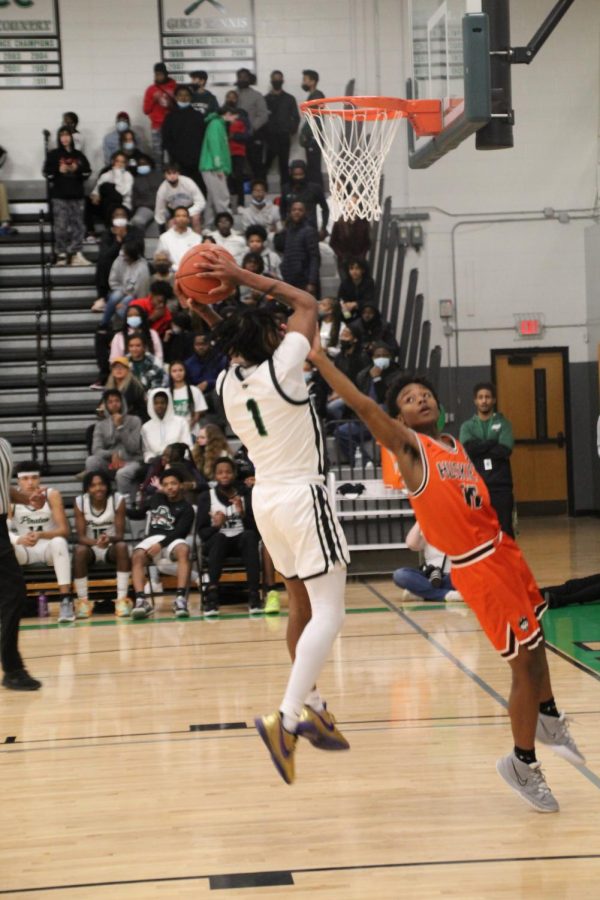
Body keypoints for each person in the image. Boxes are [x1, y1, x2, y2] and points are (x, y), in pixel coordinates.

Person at [309, 354, 585, 812]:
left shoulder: (454, 444)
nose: (421, 400)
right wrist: (320, 358)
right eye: (409, 399)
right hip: (479, 566)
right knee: (522, 666)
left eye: (425, 394)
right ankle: (521, 763)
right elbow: (362, 405)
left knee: (537, 643)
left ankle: (549, 717)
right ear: (399, 418)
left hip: (503, 550)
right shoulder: (410, 449)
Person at [183, 252, 350, 785]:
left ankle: (316, 706)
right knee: (330, 612)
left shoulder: (229, 385)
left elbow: (237, 342)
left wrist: (208, 307)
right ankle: (285, 718)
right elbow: (304, 301)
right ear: (274, 340)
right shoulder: (285, 366)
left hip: (266, 501)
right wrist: (239, 278)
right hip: (303, 494)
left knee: (299, 606)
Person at [0, 439, 42, 690]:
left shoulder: (4, 444)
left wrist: (26, 498)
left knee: (12, 594)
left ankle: (13, 667)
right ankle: (13, 669)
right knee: (13, 593)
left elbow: (4, 489)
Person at [9, 461, 74, 624]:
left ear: (40, 479)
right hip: (25, 549)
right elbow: (4, 531)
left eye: (34, 478)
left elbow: (64, 531)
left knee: (59, 542)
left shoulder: (51, 494)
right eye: (25, 479)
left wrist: (41, 534)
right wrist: (19, 539)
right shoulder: (11, 498)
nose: (30, 482)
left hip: (48, 547)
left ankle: (66, 601)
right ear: (18, 481)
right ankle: (7, 603)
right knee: (6, 546)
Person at [197, 457, 262, 614]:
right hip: (217, 544)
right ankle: (212, 595)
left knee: (249, 536)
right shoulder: (207, 496)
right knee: (220, 538)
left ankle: (254, 595)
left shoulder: (245, 495)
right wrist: (216, 526)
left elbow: (257, 531)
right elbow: (202, 533)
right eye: (220, 472)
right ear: (215, 476)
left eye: (228, 472)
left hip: (240, 543)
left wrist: (242, 513)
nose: (224, 475)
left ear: (233, 474)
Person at [129, 466, 195, 619]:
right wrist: (120, 510)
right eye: (165, 484)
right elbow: (139, 512)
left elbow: (180, 532)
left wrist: (161, 545)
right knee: (137, 555)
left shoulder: (187, 508)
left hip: (173, 540)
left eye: (173, 483)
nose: (169, 487)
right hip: (153, 538)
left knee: (183, 549)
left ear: (181, 485)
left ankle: (180, 599)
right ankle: (141, 600)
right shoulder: (156, 499)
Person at [459, 383, 515, 538]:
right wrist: (492, 442)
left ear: (494, 400)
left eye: (487, 397)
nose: (484, 401)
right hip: (476, 486)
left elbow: (505, 449)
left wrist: (479, 447)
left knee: (505, 530)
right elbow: (468, 450)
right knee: (479, 530)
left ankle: (507, 561)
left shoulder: (504, 424)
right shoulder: (467, 426)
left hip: (501, 486)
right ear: (475, 401)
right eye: (480, 397)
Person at [73, 471, 131, 618]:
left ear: (107, 486)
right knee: (79, 550)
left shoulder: (117, 500)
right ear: (87, 489)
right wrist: (96, 543)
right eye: (93, 485)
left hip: (111, 548)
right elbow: (80, 537)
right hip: (90, 549)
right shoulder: (80, 502)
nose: (98, 488)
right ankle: (83, 602)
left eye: (101, 484)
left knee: (122, 546)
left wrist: (108, 540)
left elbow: (120, 535)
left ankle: (122, 600)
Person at [43, 125, 92, 267]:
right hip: (59, 195)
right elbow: (47, 173)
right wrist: (58, 170)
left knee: (78, 225)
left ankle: (76, 253)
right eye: (62, 135)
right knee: (61, 225)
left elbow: (87, 172)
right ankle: (61, 253)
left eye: (67, 135)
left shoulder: (79, 155)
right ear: (59, 138)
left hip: (77, 194)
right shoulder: (53, 155)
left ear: (71, 137)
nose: (64, 138)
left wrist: (77, 169)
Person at [86, 389, 143, 502]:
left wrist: (120, 428)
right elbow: (96, 450)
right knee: (91, 461)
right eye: (110, 402)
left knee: (122, 474)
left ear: (122, 402)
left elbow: (134, 447)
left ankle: (126, 505)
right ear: (106, 405)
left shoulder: (135, 420)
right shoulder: (100, 425)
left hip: (131, 461)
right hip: (110, 463)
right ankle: (95, 500)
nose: (114, 404)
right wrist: (112, 454)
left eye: (117, 400)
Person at [392, 521, 462, 602]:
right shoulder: (428, 525)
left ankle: (422, 594)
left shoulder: (460, 524)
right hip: (430, 576)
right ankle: (447, 595)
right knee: (400, 574)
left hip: (453, 576)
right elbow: (412, 545)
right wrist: (421, 517)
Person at [91, 207, 144, 313]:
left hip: (133, 263)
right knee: (102, 261)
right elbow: (105, 254)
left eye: (122, 215)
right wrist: (118, 240)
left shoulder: (135, 231)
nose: (120, 218)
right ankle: (102, 297)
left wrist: (124, 236)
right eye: (117, 215)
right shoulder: (107, 233)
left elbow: (138, 251)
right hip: (113, 264)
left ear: (127, 218)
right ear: (112, 218)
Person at [100, 237, 150, 329]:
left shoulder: (142, 268)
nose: (123, 257)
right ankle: (104, 323)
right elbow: (113, 280)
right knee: (115, 297)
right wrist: (123, 291)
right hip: (120, 289)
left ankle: (137, 327)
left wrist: (127, 296)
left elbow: (140, 293)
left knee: (121, 308)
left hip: (134, 295)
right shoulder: (119, 260)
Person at [162, 85, 206, 188]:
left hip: (196, 161)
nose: (183, 98)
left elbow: (203, 138)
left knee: (198, 187)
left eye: (186, 95)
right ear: (176, 97)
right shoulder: (170, 117)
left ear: (191, 98)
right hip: (177, 162)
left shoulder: (198, 116)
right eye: (180, 95)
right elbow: (166, 140)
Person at [264, 70, 300, 188]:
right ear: (271, 81)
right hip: (269, 137)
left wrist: (291, 129)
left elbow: (296, 117)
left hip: (284, 136)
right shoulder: (265, 99)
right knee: (266, 164)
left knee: (284, 165)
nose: (277, 81)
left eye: (279, 78)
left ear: (283, 80)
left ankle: (285, 190)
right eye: (275, 79)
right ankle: (262, 189)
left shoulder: (290, 99)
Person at [276, 200, 320, 295]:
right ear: (290, 212)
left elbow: (314, 258)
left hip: (304, 280)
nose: (297, 212)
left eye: (300, 210)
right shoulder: (287, 231)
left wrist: (311, 282)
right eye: (294, 210)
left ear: (305, 213)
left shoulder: (309, 231)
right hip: (289, 278)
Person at [199, 107, 232, 226]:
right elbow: (215, 146)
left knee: (212, 198)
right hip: (213, 167)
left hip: (212, 167)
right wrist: (218, 167)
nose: (235, 119)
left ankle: (208, 225)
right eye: (234, 116)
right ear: (227, 113)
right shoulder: (216, 125)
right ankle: (226, 224)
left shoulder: (218, 124)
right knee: (222, 197)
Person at [235, 67, 269, 180]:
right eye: (240, 77)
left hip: (253, 136)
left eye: (245, 77)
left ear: (249, 79)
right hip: (236, 137)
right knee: (238, 165)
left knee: (256, 165)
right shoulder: (233, 95)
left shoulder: (256, 95)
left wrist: (252, 128)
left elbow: (264, 114)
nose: (242, 79)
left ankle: (259, 189)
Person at [142, 388, 192, 463]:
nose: (159, 406)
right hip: (155, 462)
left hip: (178, 461)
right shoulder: (146, 427)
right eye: (156, 403)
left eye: (162, 403)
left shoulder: (181, 422)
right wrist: (151, 459)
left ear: (168, 404)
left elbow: (187, 446)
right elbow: (147, 451)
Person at [280, 160, 329, 237]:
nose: (298, 178)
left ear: (305, 173)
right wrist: (283, 221)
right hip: (292, 228)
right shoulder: (286, 189)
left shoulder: (315, 188)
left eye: (300, 174)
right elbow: (282, 207)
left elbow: (325, 209)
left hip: (310, 228)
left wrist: (323, 227)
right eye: (295, 175)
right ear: (291, 174)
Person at [108, 301, 163, 367]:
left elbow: (159, 355)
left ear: (142, 317)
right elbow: (114, 359)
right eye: (130, 316)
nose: (133, 318)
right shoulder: (119, 336)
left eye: (136, 315)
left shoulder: (152, 333)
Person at [88, 151, 134, 229]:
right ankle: (90, 232)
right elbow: (96, 190)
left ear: (126, 164)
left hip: (122, 205)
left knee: (108, 190)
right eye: (117, 161)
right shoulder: (106, 175)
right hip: (104, 205)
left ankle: (110, 229)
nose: (119, 164)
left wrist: (117, 174)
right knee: (88, 201)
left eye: (122, 162)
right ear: (113, 162)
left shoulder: (128, 176)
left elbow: (121, 193)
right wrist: (95, 196)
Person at [154, 163, 205, 234]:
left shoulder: (188, 182)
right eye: (169, 173)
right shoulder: (162, 189)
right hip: (174, 211)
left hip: (191, 208)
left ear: (178, 173)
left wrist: (186, 214)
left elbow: (201, 202)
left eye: (174, 173)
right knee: (171, 224)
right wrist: (162, 227)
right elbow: (159, 210)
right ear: (164, 175)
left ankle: (199, 243)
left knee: (195, 219)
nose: (172, 176)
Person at [222, 90, 251, 211]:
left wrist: (234, 136)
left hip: (239, 151)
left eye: (233, 97)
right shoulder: (220, 113)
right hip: (224, 152)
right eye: (228, 97)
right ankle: (227, 204)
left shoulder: (242, 115)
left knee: (239, 178)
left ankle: (240, 204)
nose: (231, 99)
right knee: (225, 179)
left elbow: (248, 134)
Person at [143, 62, 177, 163]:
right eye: (156, 74)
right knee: (157, 154)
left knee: (174, 152)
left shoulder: (175, 87)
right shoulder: (151, 90)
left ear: (166, 74)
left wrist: (170, 102)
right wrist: (154, 99)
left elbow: (180, 106)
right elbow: (145, 110)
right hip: (157, 126)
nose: (158, 77)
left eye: (160, 74)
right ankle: (158, 177)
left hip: (173, 125)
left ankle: (174, 175)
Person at [299, 69, 325, 187]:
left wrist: (308, 135)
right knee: (313, 168)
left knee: (314, 169)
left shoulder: (317, 95)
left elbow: (315, 119)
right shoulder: (312, 96)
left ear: (312, 81)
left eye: (305, 80)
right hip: (313, 137)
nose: (303, 82)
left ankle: (317, 194)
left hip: (314, 138)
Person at [157, 206, 202, 272]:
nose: (181, 218)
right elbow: (160, 259)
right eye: (178, 216)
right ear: (174, 219)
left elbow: (199, 260)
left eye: (184, 216)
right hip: (171, 274)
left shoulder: (197, 238)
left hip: (191, 274)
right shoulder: (164, 238)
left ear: (188, 219)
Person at [184, 333, 228, 400]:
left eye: (203, 344)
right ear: (193, 345)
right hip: (197, 394)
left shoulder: (221, 359)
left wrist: (208, 383)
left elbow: (226, 379)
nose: (201, 347)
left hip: (217, 392)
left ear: (209, 344)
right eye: (198, 344)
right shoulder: (188, 363)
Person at [169, 361, 207, 433]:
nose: (178, 373)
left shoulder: (194, 390)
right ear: (170, 374)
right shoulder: (167, 392)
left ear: (185, 372)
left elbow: (198, 413)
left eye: (181, 370)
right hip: (172, 431)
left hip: (192, 431)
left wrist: (189, 426)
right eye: (174, 371)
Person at [104, 357, 147, 421]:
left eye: (122, 367)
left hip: (134, 418)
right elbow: (101, 406)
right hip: (114, 419)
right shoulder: (109, 386)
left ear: (128, 370)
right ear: (112, 371)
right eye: (115, 367)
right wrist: (100, 410)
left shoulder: (134, 385)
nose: (118, 370)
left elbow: (125, 405)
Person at [130, 154, 162, 233]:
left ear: (150, 164)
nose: (142, 166)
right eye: (140, 164)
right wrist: (146, 204)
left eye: (144, 164)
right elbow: (134, 200)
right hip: (146, 207)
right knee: (137, 221)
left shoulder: (160, 177)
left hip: (162, 207)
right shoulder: (135, 180)